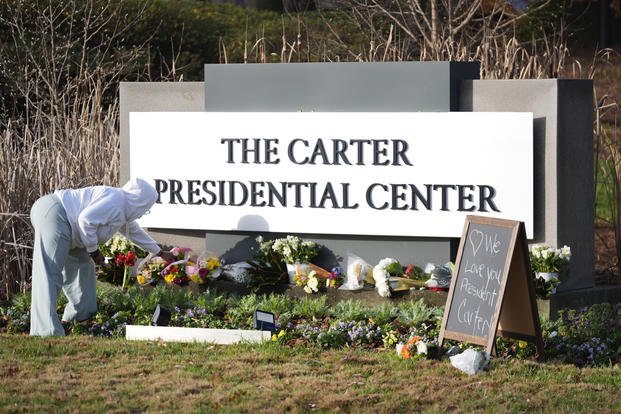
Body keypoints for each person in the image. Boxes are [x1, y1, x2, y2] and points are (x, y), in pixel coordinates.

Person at [29, 178, 171, 336]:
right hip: (55, 214)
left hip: (70, 226)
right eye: (146, 208)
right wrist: (94, 251)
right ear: (140, 202)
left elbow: (135, 233)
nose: (144, 212)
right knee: (49, 272)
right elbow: (86, 220)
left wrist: (160, 252)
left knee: (83, 269)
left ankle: (80, 319)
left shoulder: (123, 209)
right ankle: (45, 331)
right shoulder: (116, 201)